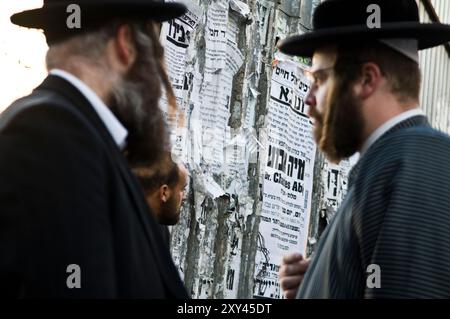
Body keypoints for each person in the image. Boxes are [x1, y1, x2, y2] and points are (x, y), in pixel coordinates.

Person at [0, 0, 189, 298]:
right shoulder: (50, 134)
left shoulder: (92, 143)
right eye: (156, 53)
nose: (159, 73)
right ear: (126, 43)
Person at [278, 0, 450, 298]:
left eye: (318, 79)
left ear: (365, 80)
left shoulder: (412, 168)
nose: (309, 98)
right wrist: (325, 280)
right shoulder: (396, 160)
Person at [132, 155, 189, 246]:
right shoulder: (124, 234)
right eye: (182, 189)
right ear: (164, 192)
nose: (185, 197)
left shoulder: (160, 233)